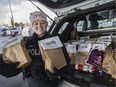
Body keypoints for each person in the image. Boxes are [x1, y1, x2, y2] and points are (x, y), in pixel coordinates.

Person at [0, 11, 70, 87]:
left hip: (50, 83)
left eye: (42, 22)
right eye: (36, 23)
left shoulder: (56, 41)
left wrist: (59, 72)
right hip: (32, 83)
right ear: (32, 26)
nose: (39, 26)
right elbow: (14, 60)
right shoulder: (25, 43)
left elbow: (66, 61)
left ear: (46, 24)